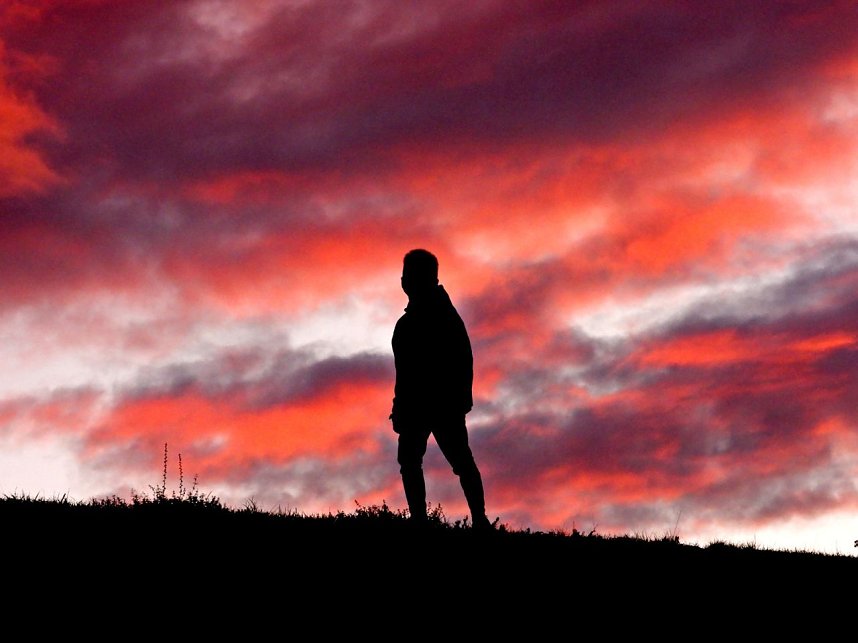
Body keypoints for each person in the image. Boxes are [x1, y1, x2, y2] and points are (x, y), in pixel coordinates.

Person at [389, 248, 492, 530]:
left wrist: (459, 400)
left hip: (442, 404)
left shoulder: (443, 318)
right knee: (412, 461)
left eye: (409, 275)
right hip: (417, 405)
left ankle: (480, 521)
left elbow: (462, 359)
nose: (404, 280)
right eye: (405, 274)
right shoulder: (409, 322)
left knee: (460, 461)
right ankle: (421, 521)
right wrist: (400, 406)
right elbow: (405, 373)